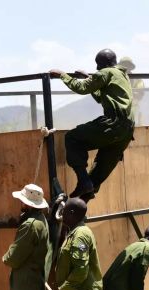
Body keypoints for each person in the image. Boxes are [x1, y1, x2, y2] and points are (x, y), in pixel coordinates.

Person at [50, 49, 134, 202]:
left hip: (113, 124)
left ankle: (83, 181)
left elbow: (81, 88)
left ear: (103, 64)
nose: (96, 69)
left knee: (73, 138)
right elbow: (101, 97)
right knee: (97, 175)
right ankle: (84, 198)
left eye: (98, 65)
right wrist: (89, 78)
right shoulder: (122, 75)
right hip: (127, 131)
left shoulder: (105, 73)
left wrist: (63, 75)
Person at [2, 184, 53, 290]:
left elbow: (12, 259)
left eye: (22, 201)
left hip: (24, 286)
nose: (21, 204)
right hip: (33, 282)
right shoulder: (40, 220)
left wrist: (5, 257)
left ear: (27, 204)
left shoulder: (30, 226)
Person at [50, 198, 103, 290]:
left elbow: (80, 270)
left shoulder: (80, 235)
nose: (62, 213)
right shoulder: (74, 232)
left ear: (72, 213)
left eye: (65, 210)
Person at [118, 56, 146, 126]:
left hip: (134, 108)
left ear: (130, 66)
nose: (125, 67)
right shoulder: (117, 79)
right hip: (119, 110)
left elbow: (140, 93)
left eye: (127, 65)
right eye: (123, 65)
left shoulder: (137, 79)